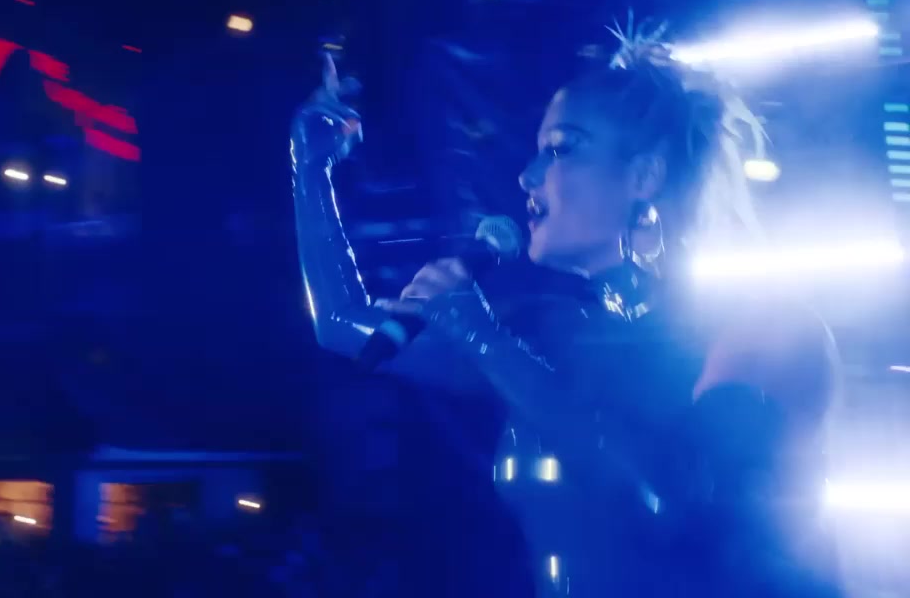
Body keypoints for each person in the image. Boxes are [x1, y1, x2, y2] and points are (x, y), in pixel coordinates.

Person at [291, 38, 840, 597]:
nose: (527, 176)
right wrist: (311, 170)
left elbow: (664, 501)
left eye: (560, 149)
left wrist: (484, 338)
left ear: (645, 176)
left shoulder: (760, 326)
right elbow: (342, 325)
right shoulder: (553, 332)